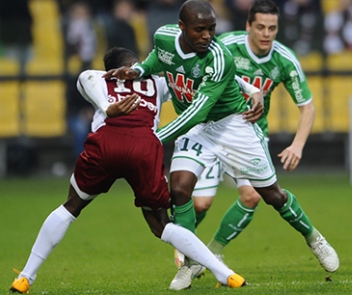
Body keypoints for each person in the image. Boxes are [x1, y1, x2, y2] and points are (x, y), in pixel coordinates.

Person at [105, 0, 339, 291]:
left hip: (234, 125)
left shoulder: (219, 55)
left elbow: (198, 110)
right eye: (200, 30)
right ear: (181, 28)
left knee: (271, 195)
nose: (207, 36)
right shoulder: (163, 36)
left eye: (211, 29)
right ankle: (191, 263)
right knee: (178, 189)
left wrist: (153, 138)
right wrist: (139, 71)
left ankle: (313, 237)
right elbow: (158, 59)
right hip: (198, 129)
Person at [9, 47, 246, 294]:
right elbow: (205, 79)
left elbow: (85, 78)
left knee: (70, 207)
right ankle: (226, 274)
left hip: (106, 144)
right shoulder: (157, 82)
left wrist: (106, 105)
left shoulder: (98, 77)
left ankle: (26, 277)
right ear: (135, 63)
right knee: (161, 225)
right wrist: (247, 88)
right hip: (144, 148)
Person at [174, 0, 317, 268]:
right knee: (201, 203)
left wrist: (297, 145)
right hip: (209, 128)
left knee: (252, 196)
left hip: (249, 132)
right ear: (248, 26)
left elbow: (308, 107)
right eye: (260, 27)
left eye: (272, 28)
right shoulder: (225, 45)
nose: (266, 34)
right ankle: (183, 241)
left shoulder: (284, 59)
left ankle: (210, 253)